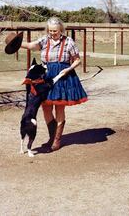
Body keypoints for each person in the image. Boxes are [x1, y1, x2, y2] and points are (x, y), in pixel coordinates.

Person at [20, 17, 87, 151]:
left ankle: (57, 140)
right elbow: (32, 46)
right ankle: (52, 137)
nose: (52, 33)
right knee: (46, 108)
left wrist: (68, 69)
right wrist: (17, 43)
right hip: (46, 77)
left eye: (55, 31)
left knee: (59, 107)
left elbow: (77, 60)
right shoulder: (44, 40)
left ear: (61, 29)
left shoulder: (69, 42)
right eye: (50, 31)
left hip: (63, 77)